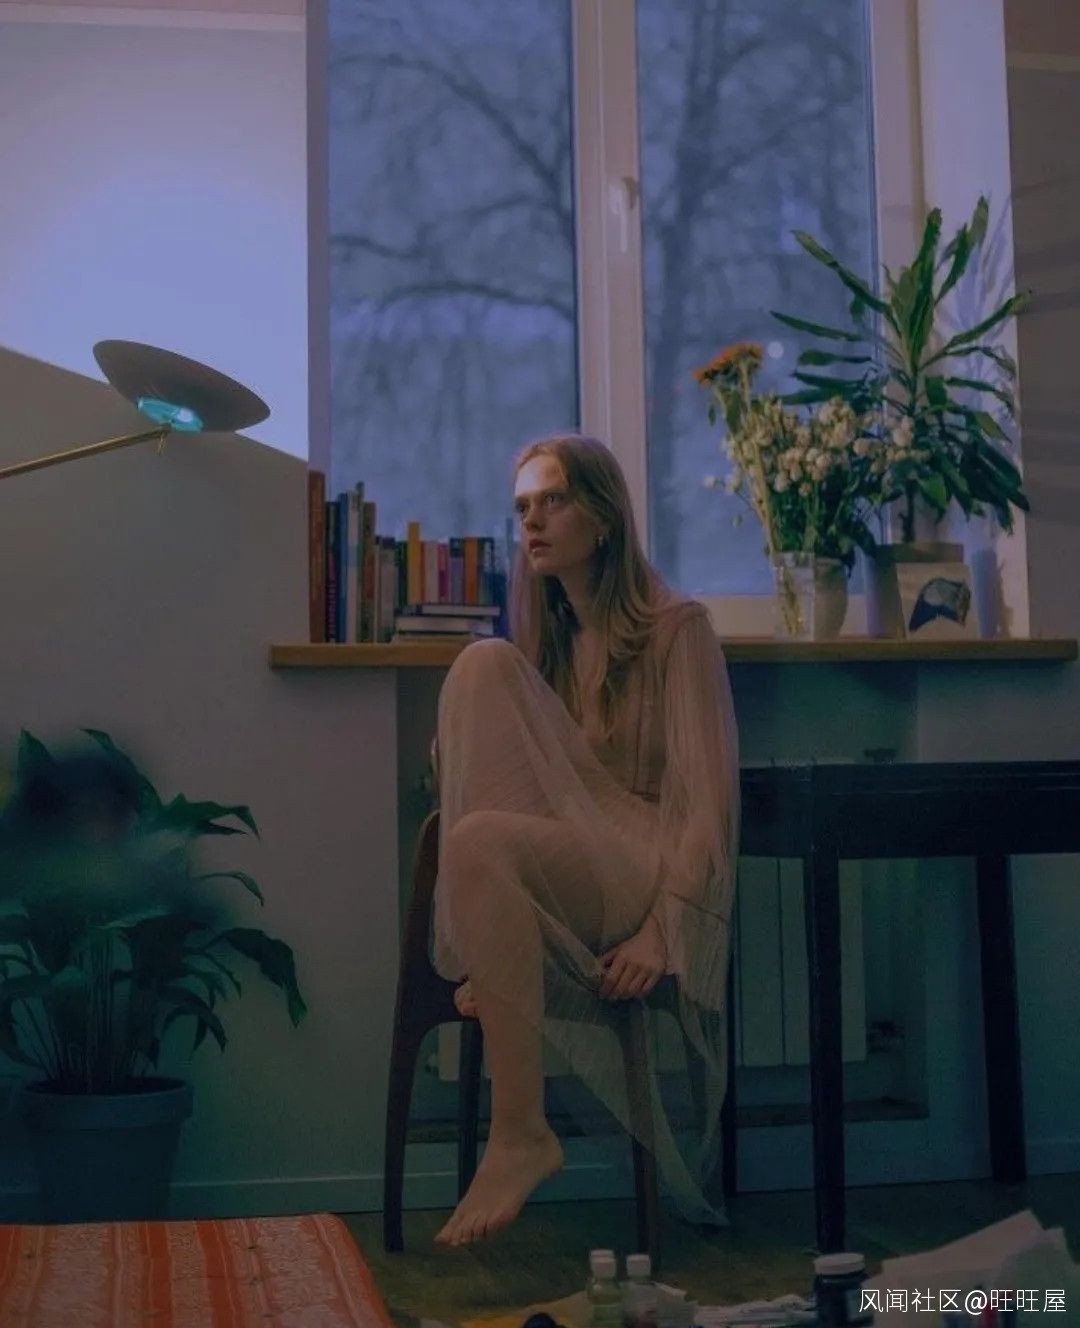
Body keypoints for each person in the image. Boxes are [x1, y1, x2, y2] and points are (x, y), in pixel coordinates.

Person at [430, 434, 740, 1248]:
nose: (532, 521)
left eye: (554, 501)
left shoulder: (679, 629)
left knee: (483, 672)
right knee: (482, 679)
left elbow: (707, 810)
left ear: (603, 518)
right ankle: (521, 1126)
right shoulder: (550, 644)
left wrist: (662, 932)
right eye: (522, 507)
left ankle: (516, 1130)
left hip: (643, 865)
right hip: (577, 858)